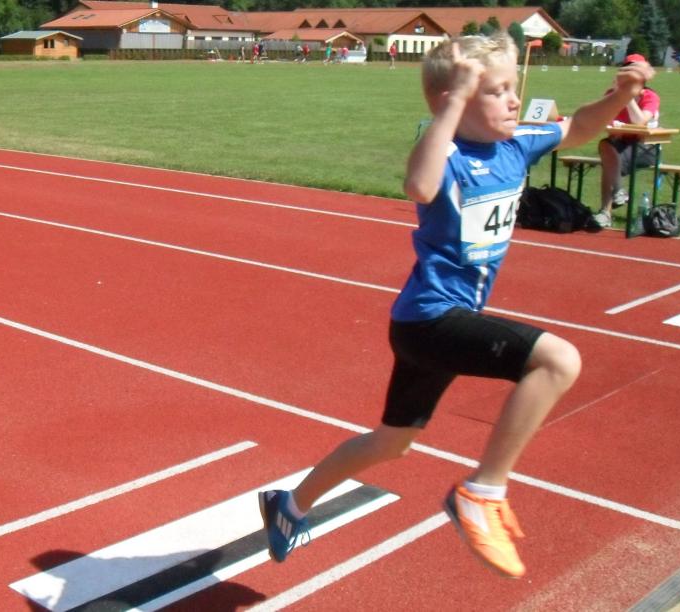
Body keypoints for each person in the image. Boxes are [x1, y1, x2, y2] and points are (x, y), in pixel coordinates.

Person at [259, 33, 654, 579]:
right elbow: (419, 186)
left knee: (392, 443)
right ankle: (482, 493)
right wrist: (451, 106)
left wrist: (620, 96)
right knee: (558, 361)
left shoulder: (517, 144)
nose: (514, 100)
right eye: (497, 91)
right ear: (457, 100)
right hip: (432, 318)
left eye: (513, 88)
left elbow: (580, 127)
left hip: (428, 323)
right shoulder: (447, 156)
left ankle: (290, 505)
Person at [594, 53, 661, 228]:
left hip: (644, 147)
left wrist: (627, 96)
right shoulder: (611, 94)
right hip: (618, 144)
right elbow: (602, 118)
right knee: (606, 147)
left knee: (609, 157)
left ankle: (606, 211)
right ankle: (617, 194)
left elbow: (639, 122)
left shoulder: (649, 96)